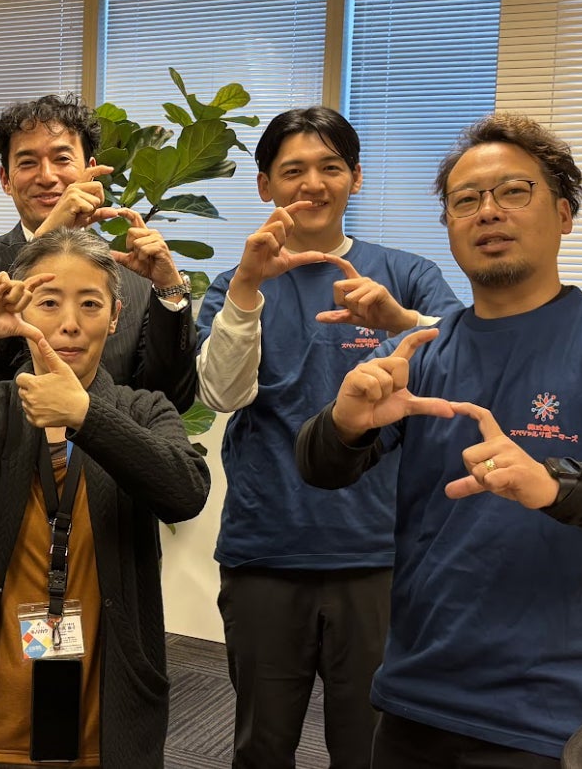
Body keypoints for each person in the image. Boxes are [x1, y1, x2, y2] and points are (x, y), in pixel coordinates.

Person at [296, 113, 582, 767]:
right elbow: (318, 467)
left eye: (513, 191)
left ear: (563, 213)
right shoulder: (423, 349)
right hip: (417, 699)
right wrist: (345, 424)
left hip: (560, 719)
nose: (488, 211)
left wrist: (556, 484)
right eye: (465, 200)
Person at [0, 228, 210, 769]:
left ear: (115, 317)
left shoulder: (142, 410)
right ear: (22, 308)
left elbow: (185, 492)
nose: (69, 323)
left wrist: (86, 417)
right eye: (49, 302)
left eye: (90, 304)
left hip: (105, 708)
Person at [194, 107, 460, 768]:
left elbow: (468, 361)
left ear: (355, 178)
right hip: (265, 552)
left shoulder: (405, 275)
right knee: (262, 746)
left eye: (330, 167)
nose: (313, 184)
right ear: (265, 186)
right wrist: (249, 286)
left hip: (375, 556)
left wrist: (399, 320)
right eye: (293, 171)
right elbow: (222, 394)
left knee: (370, 749)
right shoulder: (236, 284)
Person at [0, 93, 198, 413]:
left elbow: (172, 397)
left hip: (109, 444)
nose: (47, 177)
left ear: (90, 170)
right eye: (27, 162)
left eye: (62, 159)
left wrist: (169, 288)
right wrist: (48, 236)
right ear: (6, 180)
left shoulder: (133, 275)